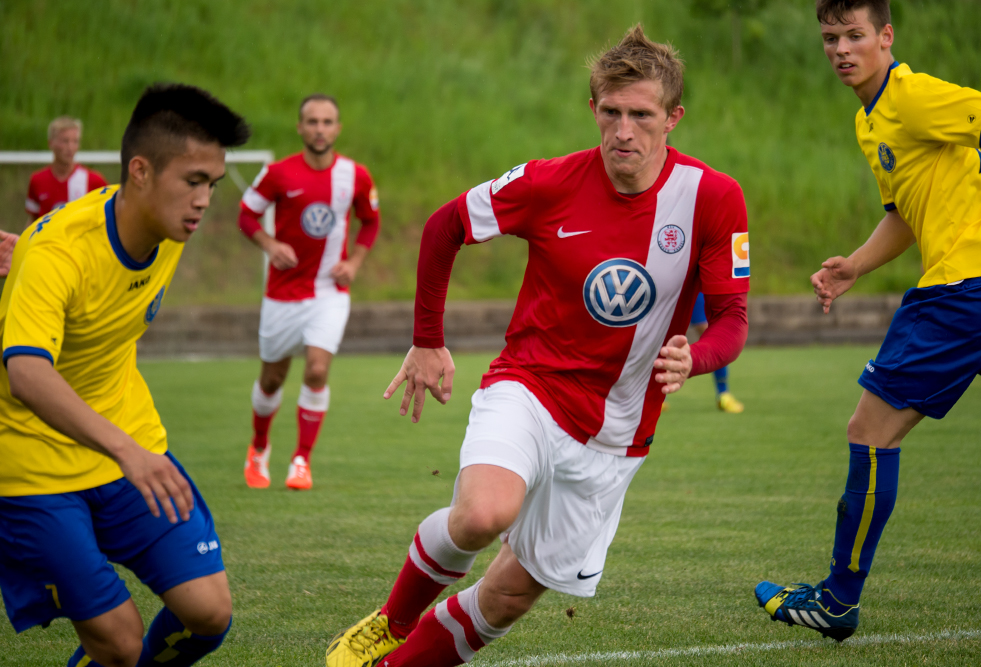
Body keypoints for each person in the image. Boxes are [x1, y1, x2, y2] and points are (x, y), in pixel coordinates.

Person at [325, 25, 750, 667]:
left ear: (673, 119)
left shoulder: (713, 198)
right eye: (611, 112)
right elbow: (446, 226)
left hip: (617, 435)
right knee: (480, 516)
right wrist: (427, 341)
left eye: (641, 115)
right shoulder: (550, 182)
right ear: (594, 110)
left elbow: (733, 320)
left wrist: (700, 357)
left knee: (506, 599)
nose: (623, 132)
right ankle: (392, 622)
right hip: (530, 387)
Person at [755, 0, 981, 642]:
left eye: (854, 35)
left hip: (962, 292)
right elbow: (904, 212)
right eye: (830, 37)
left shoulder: (913, 96)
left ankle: (838, 599)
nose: (841, 48)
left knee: (870, 432)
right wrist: (855, 266)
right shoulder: (870, 121)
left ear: (885, 36)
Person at [0, 83, 250, 667]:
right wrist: (128, 452)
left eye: (211, 184)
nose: (205, 201)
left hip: (126, 443)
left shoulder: (166, 230)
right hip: (31, 464)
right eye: (193, 181)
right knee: (118, 640)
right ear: (140, 171)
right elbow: (27, 374)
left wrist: (130, 448)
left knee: (209, 615)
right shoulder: (59, 251)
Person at [238, 94, 380, 491]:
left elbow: (370, 221)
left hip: (328, 291)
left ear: (337, 128)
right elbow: (246, 214)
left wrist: (353, 264)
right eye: (312, 122)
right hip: (282, 295)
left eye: (327, 121)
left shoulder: (355, 175)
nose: (320, 129)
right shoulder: (277, 173)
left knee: (317, 369)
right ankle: (259, 447)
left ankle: (301, 460)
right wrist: (269, 245)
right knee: (272, 379)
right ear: (300, 128)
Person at [25, 116, 108, 224]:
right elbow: (33, 221)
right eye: (65, 141)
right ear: (51, 143)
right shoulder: (37, 180)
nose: (70, 147)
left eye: (75, 141)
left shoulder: (94, 180)